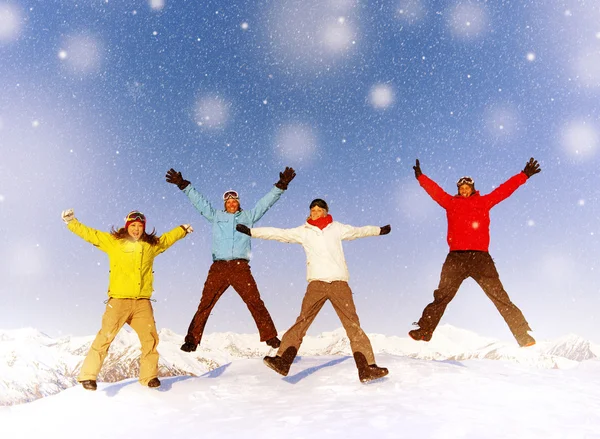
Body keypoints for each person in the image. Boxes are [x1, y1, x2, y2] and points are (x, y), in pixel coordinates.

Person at [236, 198, 391, 383]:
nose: (315, 212)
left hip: (339, 283)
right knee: (302, 321)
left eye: (319, 209)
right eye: (312, 209)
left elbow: (359, 231)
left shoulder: (337, 228)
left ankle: (367, 368)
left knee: (352, 324)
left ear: (326, 211)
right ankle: (282, 361)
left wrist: (379, 230)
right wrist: (252, 232)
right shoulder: (304, 232)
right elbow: (279, 234)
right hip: (316, 284)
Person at [409, 158, 541, 347]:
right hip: (456, 257)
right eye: (460, 187)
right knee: (442, 296)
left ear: (472, 188)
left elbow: (504, 190)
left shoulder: (484, 202)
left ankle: (522, 335)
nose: (463, 190)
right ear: (458, 189)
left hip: (480, 258)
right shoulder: (450, 203)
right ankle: (425, 331)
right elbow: (435, 191)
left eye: (466, 187)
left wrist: (524, 175)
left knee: (499, 296)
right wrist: (421, 177)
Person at [165, 166, 296, 352]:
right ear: (224, 204)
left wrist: (281, 185)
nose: (232, 203)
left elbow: (265, 203)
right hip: (218, 267)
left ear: (238, 203)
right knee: (205, 303)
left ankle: (270, 337)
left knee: (254, 301)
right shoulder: (216, 216)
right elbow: (200, 203)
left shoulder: (248, 216)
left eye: (235, 201)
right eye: (228, 201)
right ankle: (192, 341)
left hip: (240, 267)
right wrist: (183, 184)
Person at [61, 209, 193, 390]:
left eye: (140, 226)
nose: (136, 229)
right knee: (105, 337)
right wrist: (72, 222)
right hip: (118, 301)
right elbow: (91, 234)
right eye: (133, 226)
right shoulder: (114, 243)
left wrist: (182, 230)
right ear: (127, 226)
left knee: (150, 339)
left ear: (143, 228)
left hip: (142, 303)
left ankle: (149, 377)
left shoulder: (150, 246)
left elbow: (166, 240)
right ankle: (88, 376)